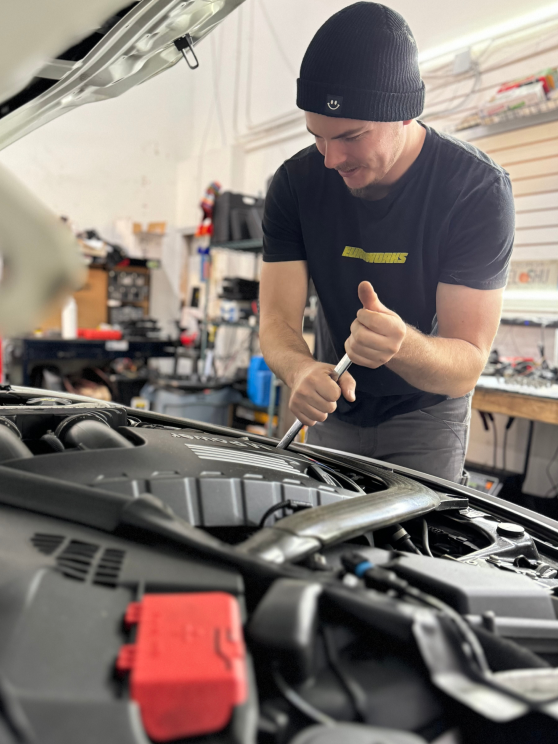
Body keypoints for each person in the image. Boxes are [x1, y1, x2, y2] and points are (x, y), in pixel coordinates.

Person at [259, 1, 514, 483]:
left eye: (351, 136)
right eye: (318, 136)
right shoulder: (296, 183)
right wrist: (299, 370)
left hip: (426, 418)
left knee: (420, 548)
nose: (332, 158)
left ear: (403, 115)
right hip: (332, 404)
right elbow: (274, 319)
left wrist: (401, 347)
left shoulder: (475, 190)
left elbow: (466, 364)